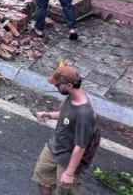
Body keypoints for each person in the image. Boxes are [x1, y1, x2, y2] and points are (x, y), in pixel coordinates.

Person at [34, 65, 99, 195]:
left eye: (58, 85)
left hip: (69, 158)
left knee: (65, 192)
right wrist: (50, 115)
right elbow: (67, 114)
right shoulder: (71, 95)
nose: (55, 87)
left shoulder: (85, 115)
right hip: (54, 147)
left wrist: (69, 173)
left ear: (69, 85)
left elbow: (80, 147)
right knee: (42, 179)